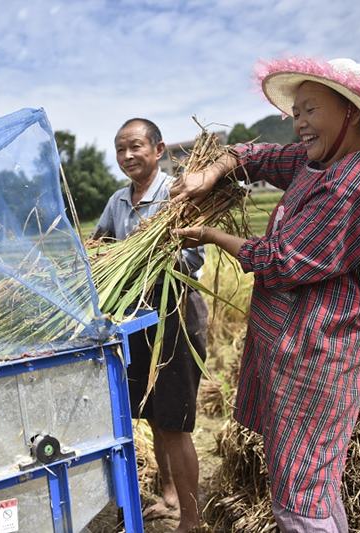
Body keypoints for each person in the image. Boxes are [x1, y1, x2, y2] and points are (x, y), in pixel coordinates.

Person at [170, 58, 360, 532]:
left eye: (311, 110)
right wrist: (211, 173)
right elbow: (257, 155)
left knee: (301, 493)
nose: (299, 122)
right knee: (306, 482)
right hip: (293, 352)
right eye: (297, 111)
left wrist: (210, 235)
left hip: (316, 358)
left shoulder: (353, 184)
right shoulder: (318, 163)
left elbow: (282, 261)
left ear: (349, 112)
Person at [93, 118, 208, 533]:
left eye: (136, 146)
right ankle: (170, 495)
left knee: (176, 422)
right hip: (135, 322)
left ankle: (192, 521)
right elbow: (100, 244)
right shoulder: (117, 201)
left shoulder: (178, 193)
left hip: (174, 318)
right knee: (154, 416)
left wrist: (150, 257)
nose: (127, 156)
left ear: (158, 150)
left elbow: (192, 259)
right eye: (120, 148)